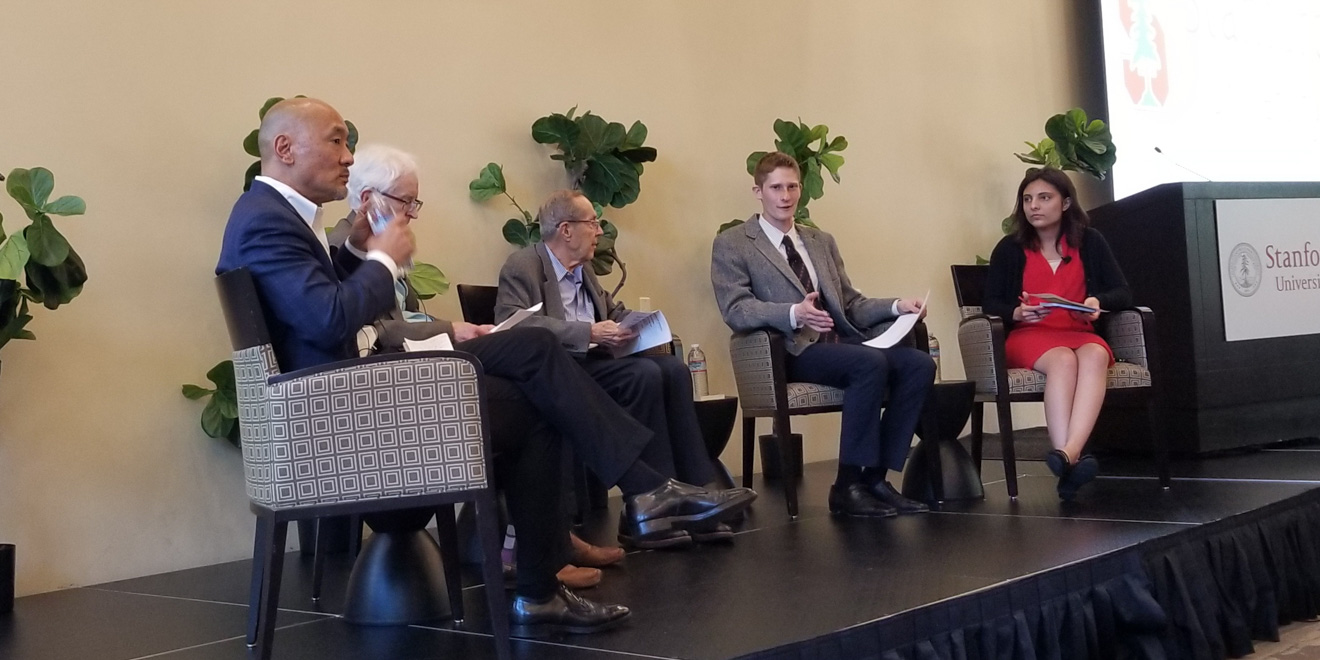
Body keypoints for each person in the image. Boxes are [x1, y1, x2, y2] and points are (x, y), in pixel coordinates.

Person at [215, 98, 753, 636]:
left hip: (354, 391)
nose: (348, 156)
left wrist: (356, 253)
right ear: (285, 148)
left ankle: (636, 502)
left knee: (534, 350)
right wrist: (382, 259)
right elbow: (328, 320)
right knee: (537, 402)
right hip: (344, 413)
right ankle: (585, 549)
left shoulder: (277, 215)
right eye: (336, 139)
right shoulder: (267, 221)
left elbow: (315, 309)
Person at [330, 145, 621, 589]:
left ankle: (553, 541)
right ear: (370, 199)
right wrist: (448, 329)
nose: (413, 213)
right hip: (389, 391)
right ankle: (553, 546)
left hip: (413, 367)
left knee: (541, 376)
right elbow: (372, 333)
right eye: (407, 201)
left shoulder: (372, 243)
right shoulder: (344, 246)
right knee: (536, 383)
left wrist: (453, 328)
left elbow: (398, 320)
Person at [495, 190, 732, 546]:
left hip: (597, 363)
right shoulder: (523, 266)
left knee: (673, 370)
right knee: (643, 376)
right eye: (592, 223)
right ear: (566, 230)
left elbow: (610, 311)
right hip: (561, 373)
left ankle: (696, 490)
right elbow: (512, 324)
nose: (599, 231)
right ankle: (650, 505)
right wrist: (587, 332)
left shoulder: (584, 270)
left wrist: (637, 326)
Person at [711, 151, 936, 518]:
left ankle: (875, 479)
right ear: (758, 191)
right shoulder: (733, 243)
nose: (786, 196)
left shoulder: (820, 241)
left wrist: (898, 306)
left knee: (918, 364)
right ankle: (846, 486)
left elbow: (850, 304)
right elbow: (736, 309)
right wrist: (793, 313)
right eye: (776, 188)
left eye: (792, 187)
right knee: (868, 363)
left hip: (839, 343)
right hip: (789, 350)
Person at [983, 167, 1132, 501]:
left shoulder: (1091, 242)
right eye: (1027, 199)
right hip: (1029, 335)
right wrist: (1017, 312)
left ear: (1065, 203)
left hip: (1078, 330)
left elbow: (1122, 292)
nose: (1034, 206)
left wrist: (1097, 301)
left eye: (1044, 198)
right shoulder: (1009, 248)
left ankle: (1067, 455)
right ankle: (1073, 457)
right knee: (1063, 360)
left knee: (1096, 354)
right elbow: (990, 302)